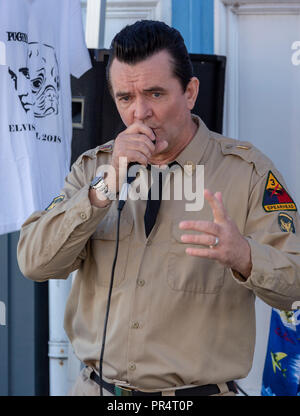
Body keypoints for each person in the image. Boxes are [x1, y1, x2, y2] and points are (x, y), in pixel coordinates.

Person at [17, 20, 300, 397]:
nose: (139, 114)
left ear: (190, 92)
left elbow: (295, 285)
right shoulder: (93, 167)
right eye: (125, 98)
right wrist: (102, 190)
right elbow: (34, 262)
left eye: (155, 94)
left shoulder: (246, 172)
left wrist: (246, 257)